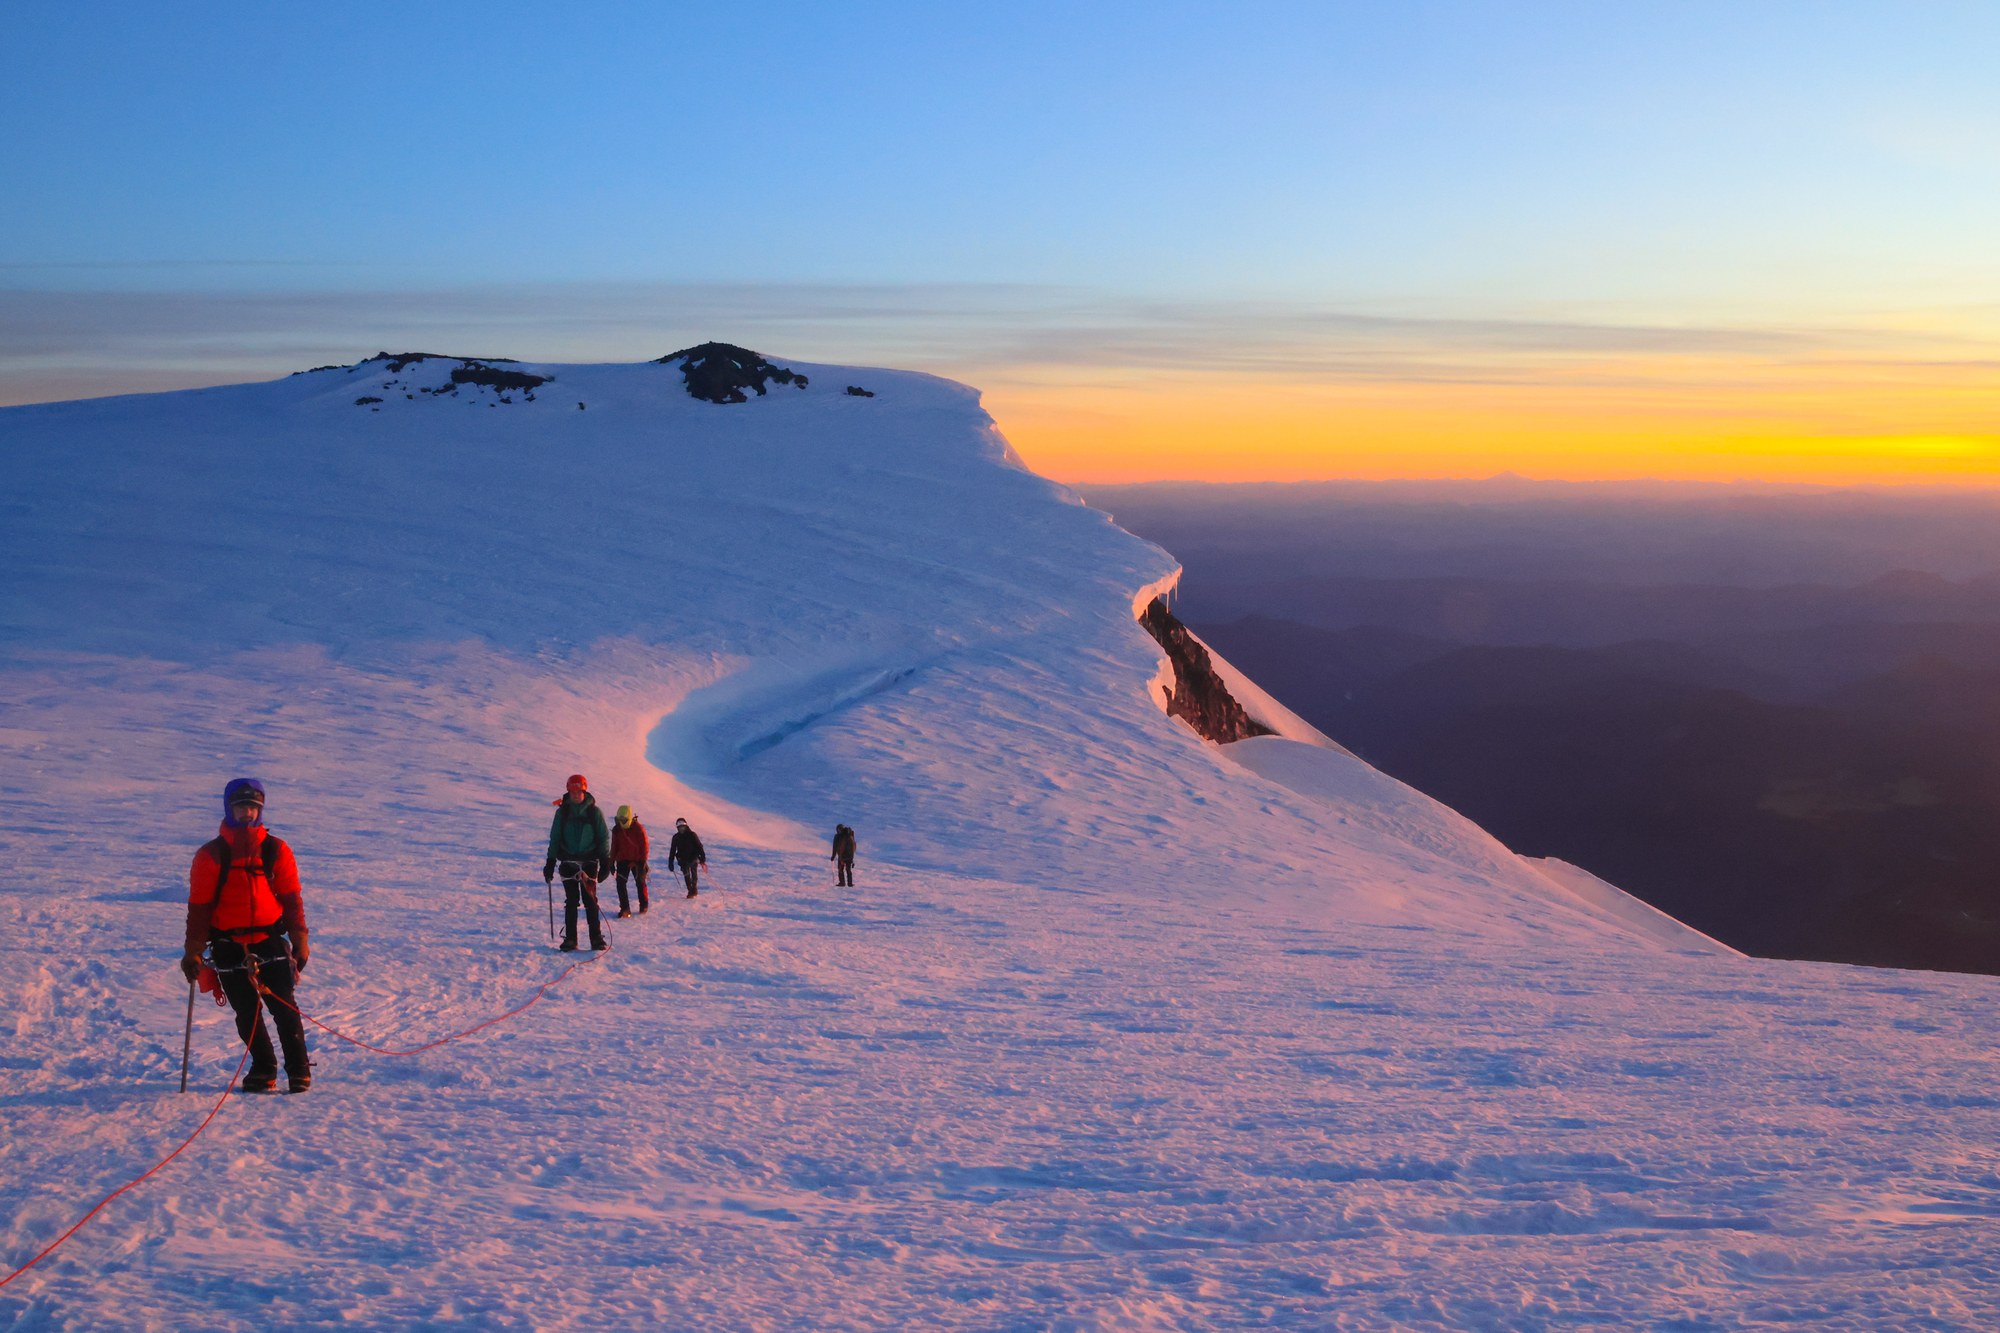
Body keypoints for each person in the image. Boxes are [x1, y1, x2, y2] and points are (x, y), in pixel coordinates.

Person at [180, 778, 312, 1094]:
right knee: (246, 1012)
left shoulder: (276, 850)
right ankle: (264, 1068)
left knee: (284, 1008)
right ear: (229, 808)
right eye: (241, 807)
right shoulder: (210, 856)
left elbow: (291, 898)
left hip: (269, 939)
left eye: (253, 808)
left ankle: (299, 1071)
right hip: (227, 944)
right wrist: (193, 951)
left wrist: (300, 939)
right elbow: (199, 909)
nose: (248, 814)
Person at [543, 773, 610, 951]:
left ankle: (596, 938)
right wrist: (550, 861)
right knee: (571, 901)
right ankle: (571, 939)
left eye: (578, 791)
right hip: (567, 862)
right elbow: (555, 837)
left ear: (584, 791)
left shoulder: (594, 812)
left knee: (590, 900)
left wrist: (605, 861)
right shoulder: (562, 813)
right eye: (572, 791)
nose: (575, 794)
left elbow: (603, 837)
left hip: (589, 862)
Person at [610, 804, 650, 917]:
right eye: (620, 819)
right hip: (622, 860)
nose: (622, 822)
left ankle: (644, 905)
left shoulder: (638, 828)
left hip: (638, 861)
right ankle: (625, 908)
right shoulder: (617, 829)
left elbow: (644, 846)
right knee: (620, 883)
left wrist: (642, 861)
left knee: (640, 882)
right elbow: (614, 847)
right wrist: (611, 862)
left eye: (624, 819)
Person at [666, 817, 706, 898]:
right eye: (679, 827)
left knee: (694, 873)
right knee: (686, 875)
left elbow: (699, 846)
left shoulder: (692, 835)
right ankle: (690, 890)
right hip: (683, 860)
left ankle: (694, 888)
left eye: (683, 827)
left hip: (693, 857)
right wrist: (670, 861)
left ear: (686, 826)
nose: (681, 829)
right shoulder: (676, 837)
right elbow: (672, 850)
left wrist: (702, 858)